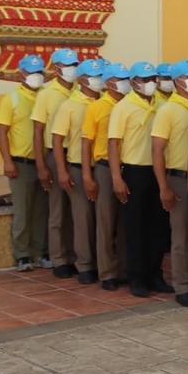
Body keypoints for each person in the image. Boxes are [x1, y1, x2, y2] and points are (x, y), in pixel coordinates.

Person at [108, 61, 169, 297]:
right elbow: (114, 144)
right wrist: (117, 177)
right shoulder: (123, 107)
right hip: (135, 171)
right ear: (134, 82)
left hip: (158, 171)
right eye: (145, 80)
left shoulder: (161, 104)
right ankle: (137, 277)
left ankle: (155, 274)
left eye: (153, 79)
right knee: (135, 227)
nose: (151, 83)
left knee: (158, 226)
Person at [151, 61, 188, 307]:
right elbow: (157, 150)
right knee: (181, 236)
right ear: (179, 81)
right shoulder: (168, 110)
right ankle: (183, 287)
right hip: (179, 178)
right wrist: (164, 186)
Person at [50, 58, 105, 284]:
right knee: (83, 219)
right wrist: (62, 171)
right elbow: (57, 140)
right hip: (78, 167)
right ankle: (85, 265)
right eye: (95, 76)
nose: (99, 80)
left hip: (102, 167)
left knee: (101, 219)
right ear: (82, 80)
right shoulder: (69, 106)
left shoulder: (104, 102)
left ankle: (102, 262)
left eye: (101, 76)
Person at [0, 55, 49, 272]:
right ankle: (23, 254)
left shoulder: (46, 96)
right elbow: (2, 131)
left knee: (42, 210)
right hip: (22, 163)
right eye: (32, 72)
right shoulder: (12, 99)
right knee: (23, 210)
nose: (37, 76)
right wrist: (7, 161)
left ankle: (41, 251)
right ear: (21, 75)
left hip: (45, 162)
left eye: (40, 72)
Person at [81, 62, 130, 288]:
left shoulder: (130, 104)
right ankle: (107, 272)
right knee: (106, 221)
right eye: (120, 79)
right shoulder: (97, 107)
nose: (125, 83)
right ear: (109, 83)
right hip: (104, 167)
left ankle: (124, 269)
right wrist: (87, 175)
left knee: (124, 223)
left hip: (128, 166)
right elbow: (86, 143)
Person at [32, 47, 80, 274]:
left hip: (77, 155)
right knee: (58, 209)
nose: (73, 69)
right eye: (69, 66)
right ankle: (59, 259)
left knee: (76, 211)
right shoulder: (46, 94)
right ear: (58, 68)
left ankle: (75, 255)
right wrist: (41, 165)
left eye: (75, 65)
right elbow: (38, 131)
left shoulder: (80, 90)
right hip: (55, 154)